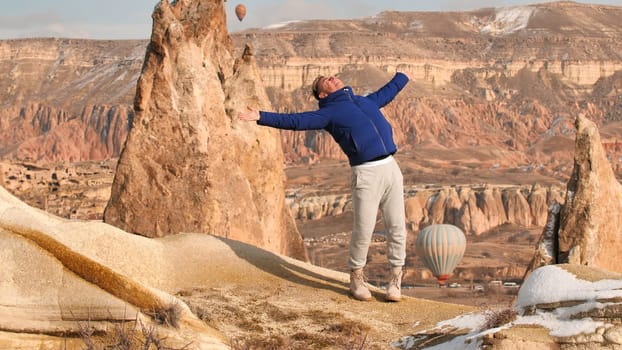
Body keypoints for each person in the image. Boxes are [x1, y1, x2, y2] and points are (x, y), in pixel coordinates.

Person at [239, 72, 409, 302]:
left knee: (397, 227)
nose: (333, 78)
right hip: (366, 173)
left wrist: (402, 76)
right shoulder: (327, 114)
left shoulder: (364, 101)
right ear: (322, 93)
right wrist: (260, 116)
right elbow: (296, 121)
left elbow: (387, 93)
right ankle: (356, 278)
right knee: (363, 230)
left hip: (391, 168)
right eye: (326, 80)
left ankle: (395, 280)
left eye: (332, 76)